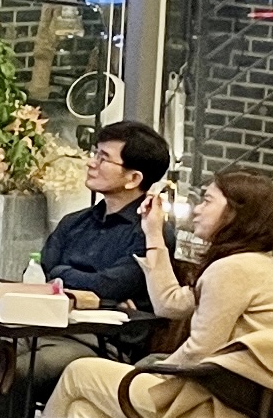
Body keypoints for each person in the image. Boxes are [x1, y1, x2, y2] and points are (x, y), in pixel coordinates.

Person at [40, 167, 273, 418]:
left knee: (79, 372)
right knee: (84, 410)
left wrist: (151, 372)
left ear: (234, 213)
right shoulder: (255, 263)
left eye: (207, 201)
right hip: (230, 398)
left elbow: (200, 351)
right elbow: (170, 304)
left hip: (217, 406)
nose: (197, 210)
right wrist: (153, 233)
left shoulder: (235, 269)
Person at [36, 121, 172, 307]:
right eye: (95, 154)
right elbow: (39, 272)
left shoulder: (152, 233)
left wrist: (60, 274)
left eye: (103, 159)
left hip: (108, 325)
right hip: (51, 316)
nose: (91, 163)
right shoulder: (74, 222)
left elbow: (110, 286)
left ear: (133, 179)